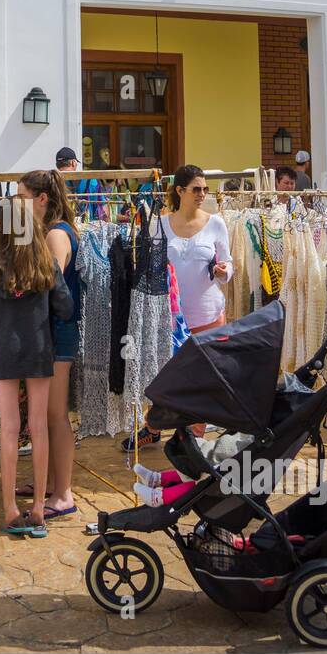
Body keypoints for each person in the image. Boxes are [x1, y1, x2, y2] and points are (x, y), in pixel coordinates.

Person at [0, 197, 73, 537]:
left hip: (3, 352)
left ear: (2, 225)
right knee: (39, 427)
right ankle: (40, 509)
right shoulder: (44, 262)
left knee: (10, 428)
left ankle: (11, 511)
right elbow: (66, 307)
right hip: (39, 350)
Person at [123, 165, 232, 451]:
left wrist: (224, 271)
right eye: (197, 189)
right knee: (164, 374)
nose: (202, 194)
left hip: (208, 313)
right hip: (168, 316)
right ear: (180, 191)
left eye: (205, 189)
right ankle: (154, 426)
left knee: (201, 378)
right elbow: (147, 265)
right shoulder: (158, 223)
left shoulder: (216, 223)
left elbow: (229, 262)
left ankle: (193, 437)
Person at [17, 169, 82, 521]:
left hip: (59, 330)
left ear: (42, 198)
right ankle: (49, 484)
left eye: (23, 197)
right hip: (51, 330)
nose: (19, 204)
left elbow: (49, 285)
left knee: (56, 415)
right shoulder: (49, 231)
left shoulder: (57, 234)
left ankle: (64, 494)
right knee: (45, 415)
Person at [57, 147, 102, 220]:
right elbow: (102, 208)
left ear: (57, 165)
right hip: (87, 227)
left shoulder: (54, 181)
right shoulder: (91, 180)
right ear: (73, 163)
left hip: (62, 226)